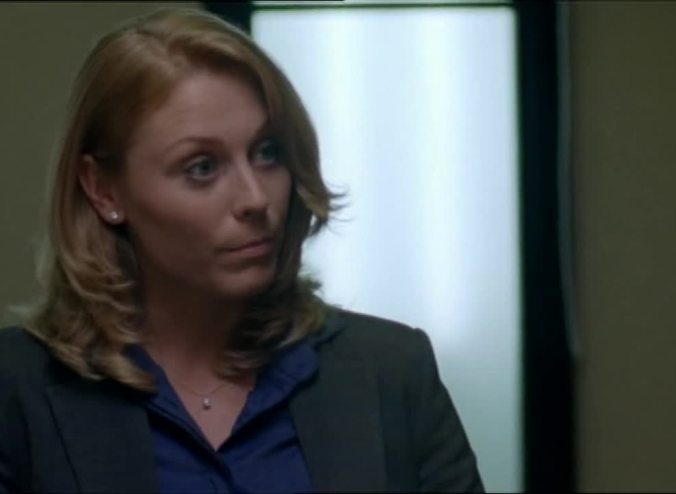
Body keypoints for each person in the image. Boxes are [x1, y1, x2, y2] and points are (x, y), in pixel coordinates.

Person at [0, 8, 483, 494]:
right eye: (202, 167)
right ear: (104, 190)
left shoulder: (392, 372)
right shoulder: (17, 391)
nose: (255, 199)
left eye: (267, 152)